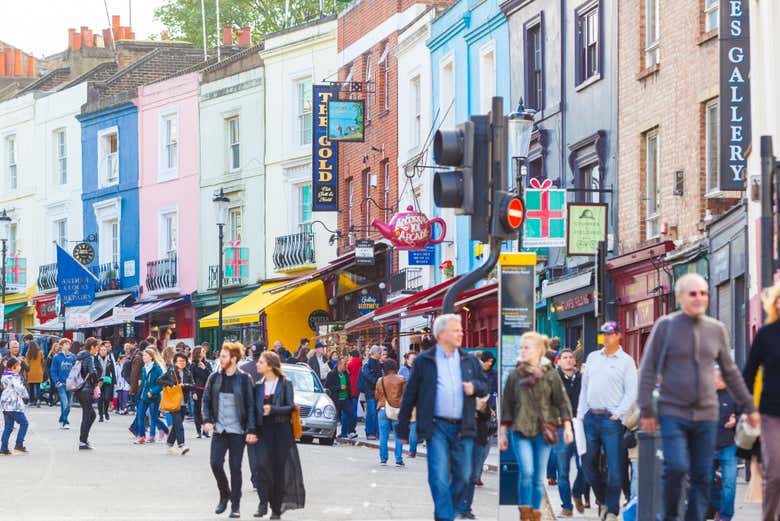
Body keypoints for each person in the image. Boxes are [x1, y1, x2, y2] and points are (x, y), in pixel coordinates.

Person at [637, 273, 758, 521]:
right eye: (693, 294)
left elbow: (730, 372)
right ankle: (669, 515)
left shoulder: (716, 329)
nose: (699, 298)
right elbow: (648, 369)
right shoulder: (665, 327)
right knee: (677, 467)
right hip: (673, 412)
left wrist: (749, 406)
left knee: (702, 475)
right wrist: (646, 408)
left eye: (703, 293)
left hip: (706, 414)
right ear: (680, 297)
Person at [397, 314, 488, 521]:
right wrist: (402, 428)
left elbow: (484, 385)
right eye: (456, 330)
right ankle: (445, 516)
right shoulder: (424, 361)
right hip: (436, 425)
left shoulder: (469, 360)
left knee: (464, 475)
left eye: (461, 330)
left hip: (464, 426)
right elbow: (410, 394)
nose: (461, 333)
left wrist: (474, 387)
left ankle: (448, 511)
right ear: (441, 334)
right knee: (438, 475)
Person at [500, 332, 574, 521]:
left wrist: (567, 427)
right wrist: (502, 432)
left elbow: (562, 401)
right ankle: (525, 512)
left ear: (539, 350)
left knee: (538, 476)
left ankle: (535, 513)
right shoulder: (515, 375)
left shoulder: (551, 375)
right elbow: (507, 404)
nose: (523, 350)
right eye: (521, 347)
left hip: (544, 431)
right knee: (527, 471)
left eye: (527, 347)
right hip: (520, 430)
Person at [577, 321, 637, 521]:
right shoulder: (593, 357)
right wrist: (581, 414)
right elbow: (585, 388)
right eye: (604, 334)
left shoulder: (626, 361)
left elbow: (631, 392)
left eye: (610, 334)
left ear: (619, 335)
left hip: (611, 420)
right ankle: (602, 500)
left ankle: (612, 510)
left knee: (615, 468)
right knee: (587, 464)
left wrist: (618, 414)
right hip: (590, 418)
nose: (606, 337)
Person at [202, 342, 257, 518]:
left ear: (234, 359)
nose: (220, 359)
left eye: (224, 356)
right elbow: (206, 400)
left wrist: (251, 429)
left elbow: (251, 406)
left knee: (235, 468)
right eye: (221, 356)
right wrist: (207, 420)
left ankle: (235, 506)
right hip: (220, 429)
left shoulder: (245, 379)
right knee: (215, 463)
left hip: (238, 431)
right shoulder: (214, 377)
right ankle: (224, 494)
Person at [743, 280, 780, 521]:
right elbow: (748, 373)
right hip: (771, 413)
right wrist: (748, 409)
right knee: (775, 472)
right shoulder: (766, 335)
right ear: (775, 303)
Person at [252, 351, 305, 519]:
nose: (257, 364)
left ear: (270, 365)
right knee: (261, 467)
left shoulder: (285, 383)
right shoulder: (258, 386)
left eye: (261, 362)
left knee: (278, 470)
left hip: (281, 430)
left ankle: (276, 509)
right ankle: (263, 503)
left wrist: (273, 409)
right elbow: (253, 410)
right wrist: (251, 430)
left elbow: (291, 407)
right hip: (263, 430)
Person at [554, 348, 587, 516]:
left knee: (585, 467)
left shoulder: (583, 379)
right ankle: (567, 506)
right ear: (559, 361)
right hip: (561, 430)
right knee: (563, 472)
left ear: (575, 361)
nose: (568, 360)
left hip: (580, 427)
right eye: (564, 357)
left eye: (570, 357)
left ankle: (577, 492)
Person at [709, 366, 739, 521]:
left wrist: (735, 420)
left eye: (714, 378)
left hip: (728, 446)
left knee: (729, 484)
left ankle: (725, 517)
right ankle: (721, 508)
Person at [461, 394, 495, 519]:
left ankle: (466, 508)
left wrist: (482, 408)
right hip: (463, 437)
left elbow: (487, 416)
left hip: (480, 438)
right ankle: (461, 506)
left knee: (474, 476)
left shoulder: (482, 393)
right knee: (463, 473)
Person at [157, 352, 194, 455]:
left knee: (177, 425)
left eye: (184, 361)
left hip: (183, 402)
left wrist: (186, 386)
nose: (182, 363)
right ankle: (182, 445)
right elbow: (159, 381)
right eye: (180, 361)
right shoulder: (171, 372)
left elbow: (193, 385)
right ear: (175, 362)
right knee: (179, 425)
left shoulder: (188, 373)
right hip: (173, 403)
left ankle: (169, 445)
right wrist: (171, 384)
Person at [134, 348, 169, 444]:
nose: (143, 357)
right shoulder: (144, 368)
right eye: (143, 355)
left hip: (154, 397)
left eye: (145, 355)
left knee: (153, 418)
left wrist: (152, 391)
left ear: (151, 357)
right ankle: (142, 437)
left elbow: (161, 384)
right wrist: (138, 394)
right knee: (140, 416)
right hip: (144, 396)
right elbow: (143, 384)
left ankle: (164, 432)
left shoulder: (157, 369)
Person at [375, 359, 406, 466]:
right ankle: (398, 459)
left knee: (383, 435)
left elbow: (377, 396)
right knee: (398, 435)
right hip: (397, 409)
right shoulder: (401, 379)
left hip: (383, 408)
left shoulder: (380, 380)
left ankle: (383, 459)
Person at [75, 337, 101, 450]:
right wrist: (97, 382)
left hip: (80, 389)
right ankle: (82, 441)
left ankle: (84, 440)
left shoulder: (80, 356)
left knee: (91, 415)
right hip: (86, 389)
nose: (97, 350)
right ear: (92, 347)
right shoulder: (88, 357)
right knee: (88, 415)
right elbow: (92, 372)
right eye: (97, 347)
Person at [1, 357, 30, 454]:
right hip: (14, 404)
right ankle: (19, 444)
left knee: (8, 427)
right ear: (14, 367)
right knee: (24, 423)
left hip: (5, 404)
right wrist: (26, 396)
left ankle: (3, 448)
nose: (20, 367)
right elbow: (20, 388)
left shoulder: (5, 376)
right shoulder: (15, 377)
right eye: (18, 366)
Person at [325, 356, 355, 439]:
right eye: (345, 364)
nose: (346, 366)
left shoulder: (346, 373)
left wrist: (349, 394)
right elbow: (327, 386)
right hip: (336, 399)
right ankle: (333, 435)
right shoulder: (332, 374)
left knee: (351, 414)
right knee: (334, 417)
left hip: (345, 398)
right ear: (339, 365)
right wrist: (339, 387)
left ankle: (350, 432)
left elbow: (348, 385)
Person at [51, 338, 76, 429]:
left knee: (68, 405)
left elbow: (75, 369)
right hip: (61, 384)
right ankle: (65, 422)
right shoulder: (56, 357)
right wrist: (57, 381)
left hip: (71, 384)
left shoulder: (72, 357)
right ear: (61, 345)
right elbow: (53, 371)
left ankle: (62, 419)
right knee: (65, 403)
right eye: (66, 344)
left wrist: (75, 381)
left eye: (69, 344)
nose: (68, 346)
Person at [360, 345, 383, 440]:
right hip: (370, 391)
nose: (380, 354)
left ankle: (376, 432)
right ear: (374, 353)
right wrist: (378, 382)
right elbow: (367, 376)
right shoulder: (367, 364)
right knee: (371, 412)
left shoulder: (378, 363)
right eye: (379, 353)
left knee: (377, 412)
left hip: (377, 391)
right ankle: (369, 432)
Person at [191, 346, 212, 439]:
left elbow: (211, 376)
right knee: (197, 411)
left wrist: (205, 368)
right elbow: (191, 379)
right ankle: (198, 431)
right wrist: (193, 392)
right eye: (202, 351)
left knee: (206, 410)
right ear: (198, 353)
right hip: (197, 390)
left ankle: (205, 431)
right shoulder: (193, 365)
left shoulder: (207, 364)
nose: (204, 352)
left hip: (206, 390)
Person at [95, 341, 116, 422]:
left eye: (104, 350)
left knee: (107, 398)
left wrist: (114, 382)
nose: (103, 351)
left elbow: (113, 371)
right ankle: (101, 416)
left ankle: (106, 412)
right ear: (99, 351)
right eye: (101, 350)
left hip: (108, 380)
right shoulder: (95, 358)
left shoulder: (109, 358)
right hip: (99, 381)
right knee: (100, 399)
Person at [346, 349, 362, 439]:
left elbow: (347, 372)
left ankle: (350, 429)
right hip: (358, 388)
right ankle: (353, 429)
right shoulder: (361, 362)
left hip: (351, 387)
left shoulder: (350, 363)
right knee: (355, 409)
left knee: (350, 410)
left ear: (351, 355)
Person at [24, 340, 44, 408]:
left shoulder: (28, 353)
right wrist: (42, 370)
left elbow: (27, 364)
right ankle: (38, 400)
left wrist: (25, 373)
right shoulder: (40, 352)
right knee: (38, 387)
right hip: (39, 371)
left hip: (31, 372)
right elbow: (42, 363)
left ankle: (32, 401)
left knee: (31, 388)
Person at [45, 341, 61, 407]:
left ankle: (57, 399)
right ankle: (50, 400)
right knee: (52, 387)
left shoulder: (60, 355)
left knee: (58, 386)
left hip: (59, 373)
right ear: (53, 348)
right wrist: (49, 374)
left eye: (57, 347)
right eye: (55, 347)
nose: (56, 348)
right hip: (52, 373)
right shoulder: (50, 355)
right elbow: (47, 366)